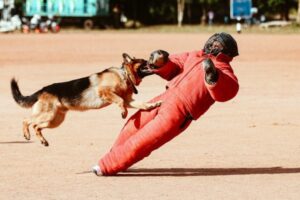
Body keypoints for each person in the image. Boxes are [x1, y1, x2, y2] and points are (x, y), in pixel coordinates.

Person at [93, 32, 239, 176]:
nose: (212, 44)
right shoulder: (194, 55)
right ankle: (117, 158)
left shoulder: (224, 70)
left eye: (217, 44)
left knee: (144, 140)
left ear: (226, 52)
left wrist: (213, 77)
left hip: (180, 112)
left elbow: (228, 90)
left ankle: (106, 166)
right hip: (164, 98)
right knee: (132, 125)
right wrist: (162, 62)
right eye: (212, 40)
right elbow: (175, 65)